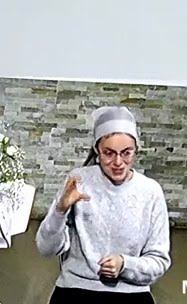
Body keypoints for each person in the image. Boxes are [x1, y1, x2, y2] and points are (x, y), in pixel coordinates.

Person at [36, 106, 171, 303]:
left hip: (131, 293)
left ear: (136, 151)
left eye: (126, 153)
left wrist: (125, 264)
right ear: (97, 151)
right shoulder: (79, 181)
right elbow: (46, 248)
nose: (118, 162)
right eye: (109, 153)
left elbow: (159, 261)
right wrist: (60, 210)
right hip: (76, 288)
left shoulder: (151, 191)